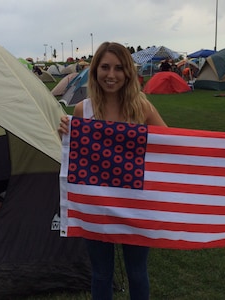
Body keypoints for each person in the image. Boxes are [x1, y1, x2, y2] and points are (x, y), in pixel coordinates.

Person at [58, 41, 167, 300]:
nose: (111, 75)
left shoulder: (141, 107)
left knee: (137, 273)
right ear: (95, 70)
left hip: (135, 203)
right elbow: (73, 157)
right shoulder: (82, 110)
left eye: (119, 68)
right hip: (97, 204)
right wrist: (64, 136)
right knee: (101, 274)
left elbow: (171, 143)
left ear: (128, 72)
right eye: (105, 67)